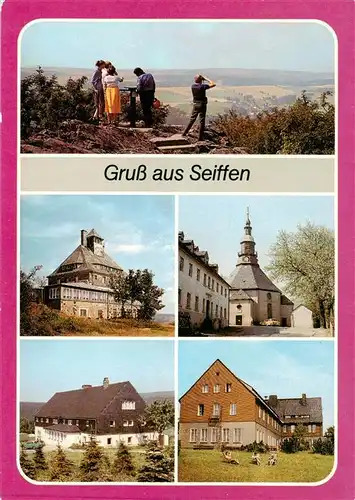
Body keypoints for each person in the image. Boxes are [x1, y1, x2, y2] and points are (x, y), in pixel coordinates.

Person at [182, 74, 216, 141]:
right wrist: (206, 79)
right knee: (202, 121)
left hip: (195, 104)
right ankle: (200, 138)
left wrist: (201, 79)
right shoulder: (203, 86)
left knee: (192, 119)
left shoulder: (193, 86)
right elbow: (213, 84)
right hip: (202, 104)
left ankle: (184, 133)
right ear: (201, 80)